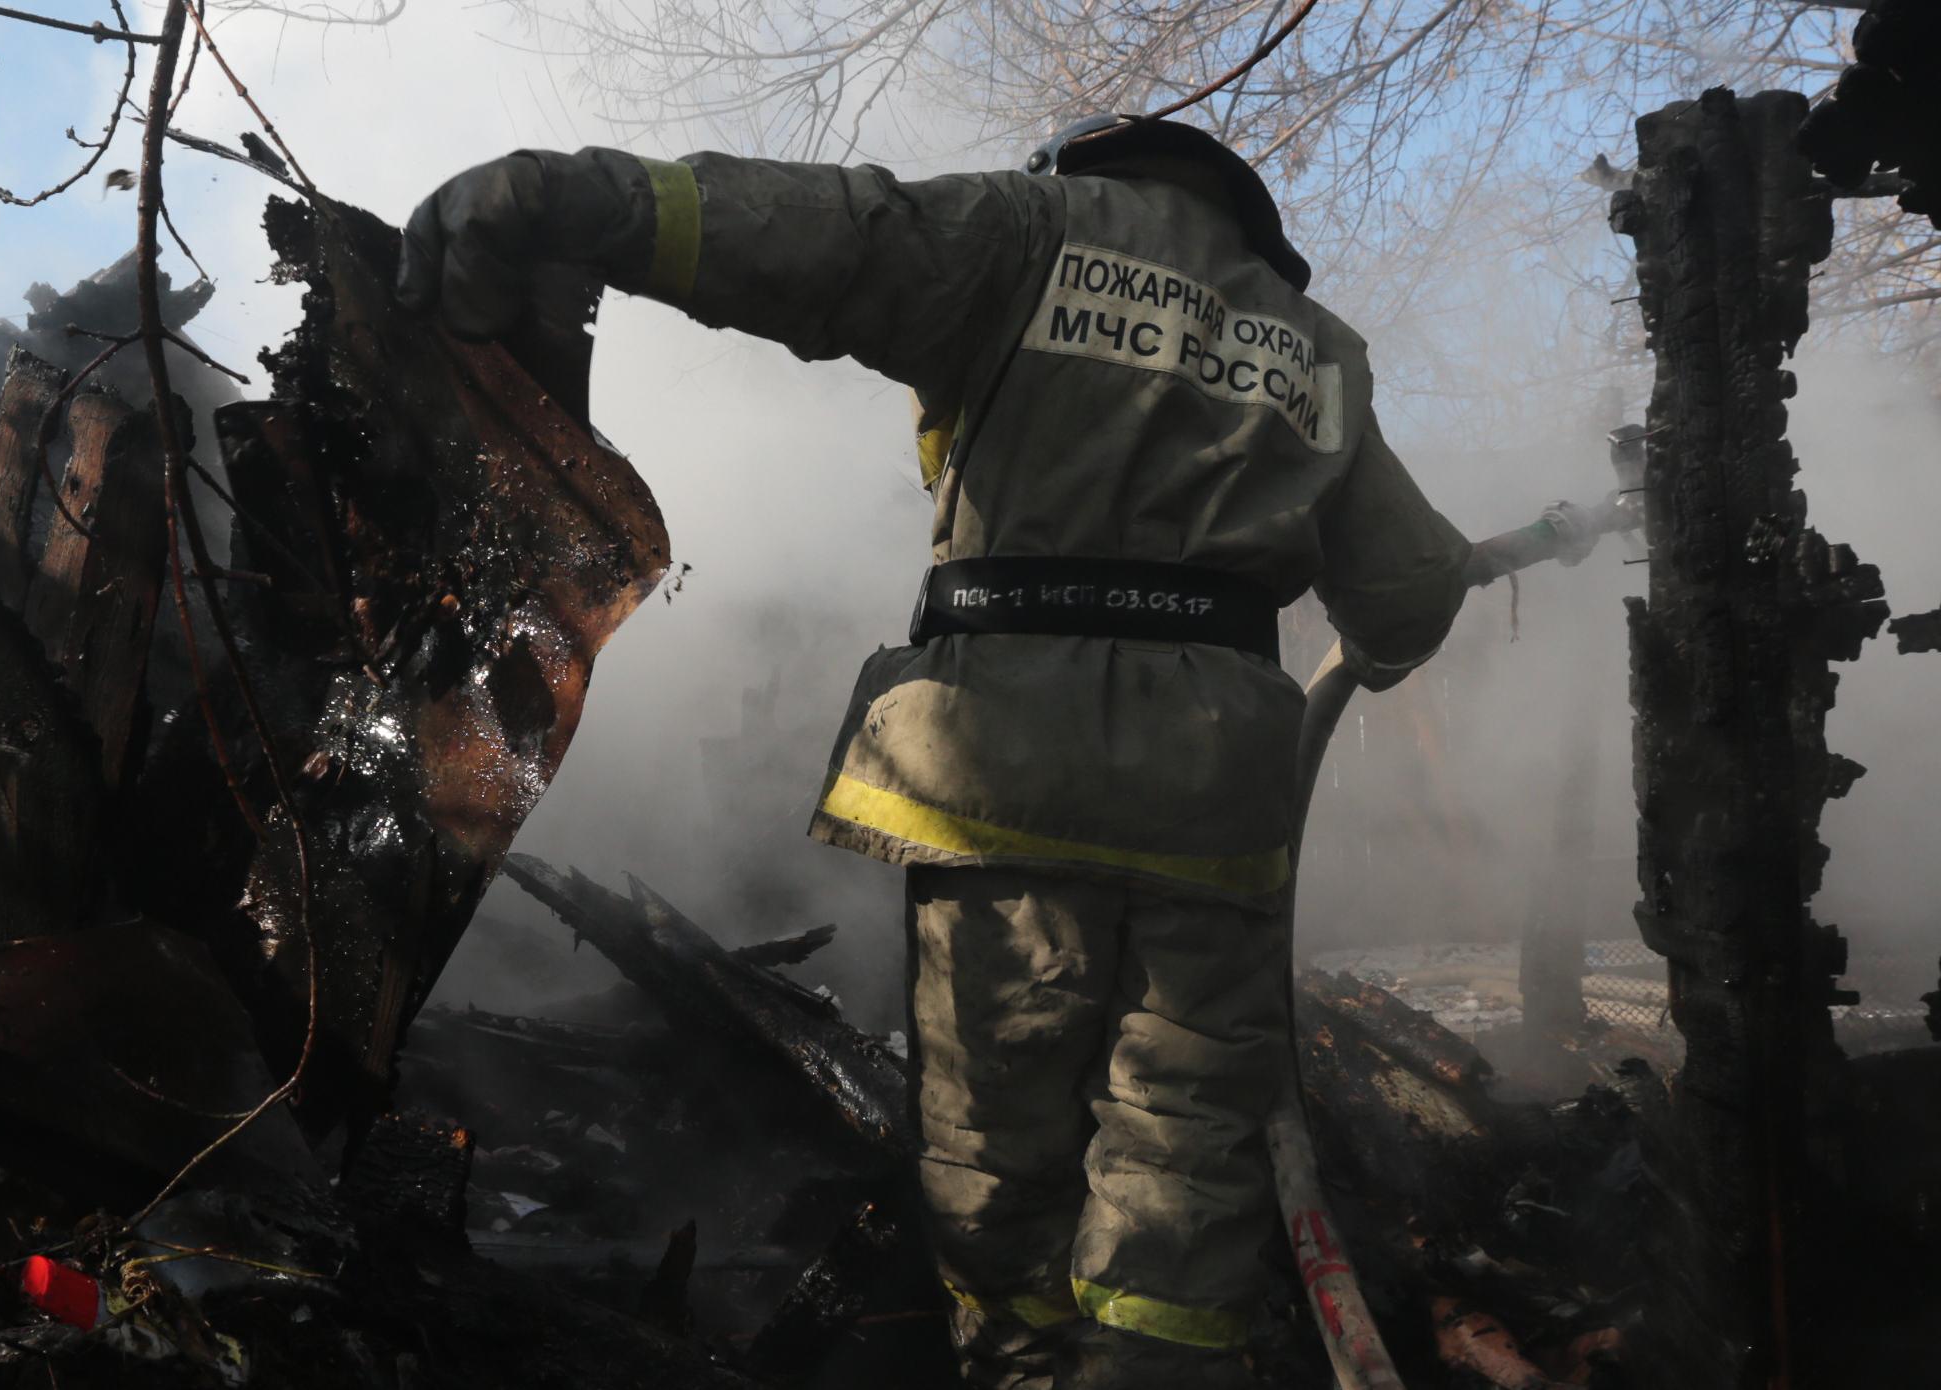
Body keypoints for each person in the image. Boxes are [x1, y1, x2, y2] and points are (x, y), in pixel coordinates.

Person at [399, 115, 1473, 1390]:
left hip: (996, 768)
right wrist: (1378, 648)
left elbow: (824, 240)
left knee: (995, 1138)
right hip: (1218, 799)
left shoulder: (1028, 232)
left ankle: (1021, 1363)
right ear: (1244, 220)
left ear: (1097, 169)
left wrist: (587, 202)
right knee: (1187, 1121)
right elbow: (1410, 591)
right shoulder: (1316, 345)